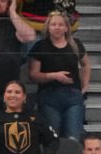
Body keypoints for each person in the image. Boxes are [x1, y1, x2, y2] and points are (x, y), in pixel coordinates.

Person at [28, 11, 91, 140]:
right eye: (54, 24)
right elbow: (33, 74)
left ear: (67, 28)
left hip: (73, 95)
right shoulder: (41, 46)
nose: (57, 27)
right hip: (49, 95)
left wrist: (85, 84)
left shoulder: (76, 45)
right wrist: (54, 76)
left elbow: (86, 65)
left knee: (73, 136)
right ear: (48, 27)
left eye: (61, 25)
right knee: (52, 136)